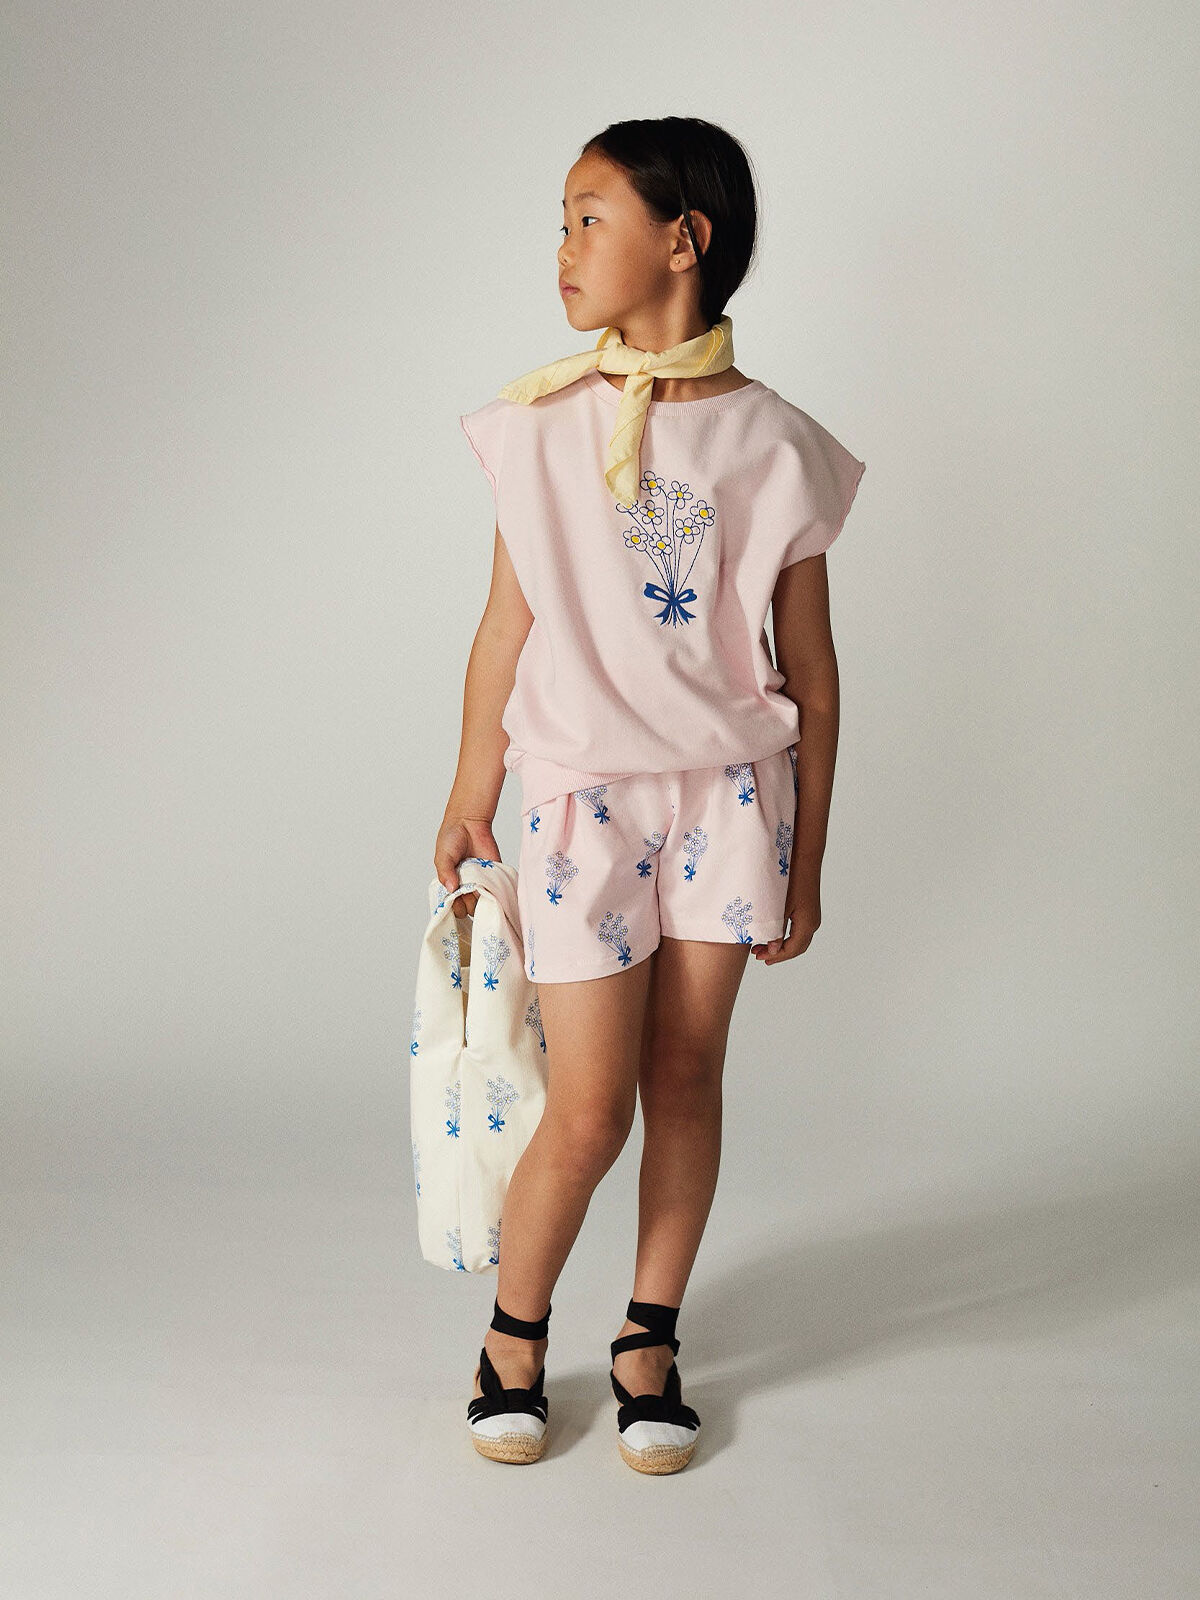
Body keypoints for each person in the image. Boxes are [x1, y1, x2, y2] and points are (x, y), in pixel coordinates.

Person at [435, 116, 865, 1473]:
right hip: (583, 802)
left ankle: (647, 1339)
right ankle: (513, 1341)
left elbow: (813, 671)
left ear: (684, 240)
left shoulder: (777, 444)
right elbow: (504, 627)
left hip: (732, 800)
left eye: (588, 218)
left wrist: (804, 860)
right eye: (561, 221)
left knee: (687, 1075)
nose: (562, 247)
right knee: (589, 1106)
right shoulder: (541, 429)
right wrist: (470, 787)